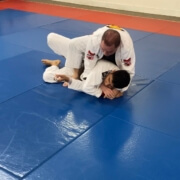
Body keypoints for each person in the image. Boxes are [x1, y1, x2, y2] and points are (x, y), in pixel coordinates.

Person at [47, 24, 135, 98]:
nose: (105, 53)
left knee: (48, 76)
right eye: (103, 49)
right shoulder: (95, 40)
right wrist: (76, 76)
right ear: (101, 41)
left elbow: (128, 73)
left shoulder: (126, 48)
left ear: (117, 47)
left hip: (100, 70)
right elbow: (89, 67)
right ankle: (75, 69)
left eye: (109, 51)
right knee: (53, 38)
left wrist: (117, 90)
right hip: (86, 62)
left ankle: (56, 65)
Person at [42, 59, 130, 99]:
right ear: (113, 71)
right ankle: (54, 64)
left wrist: (117, 92)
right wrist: (102, 91)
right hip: (78, 69)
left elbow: (121, 90)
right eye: (109, 80)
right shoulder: (100, 70)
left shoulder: (122, 80)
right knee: (47, 76)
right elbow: (86, 88)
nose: (107, 84)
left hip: (85, 78)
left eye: (111, 85)